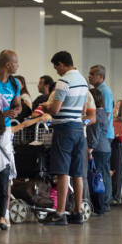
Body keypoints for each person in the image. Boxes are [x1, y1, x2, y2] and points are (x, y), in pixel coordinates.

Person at [39, 51, 88, 225]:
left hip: (64, 130)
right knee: (77, 173)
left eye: (56, 67)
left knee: (62, 172)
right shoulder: (83, 80)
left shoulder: (63, 81)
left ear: (61, 64)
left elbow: (56, 110)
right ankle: (77, 211)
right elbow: (83, 109)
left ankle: (60, 213)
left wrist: (46, 107)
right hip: (78, 130)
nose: (56, 72)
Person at [0, 110, 39, 230]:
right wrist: (39, 119)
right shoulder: (7, 130)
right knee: (4, 194)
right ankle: (2, 219)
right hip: (4, 167)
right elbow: (24, 124)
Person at [88, 65, 115, 210]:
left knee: (100, 172)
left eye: (92, 74)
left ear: (100, 77)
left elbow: (107, 115)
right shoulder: (100, 91)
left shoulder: (103, 92)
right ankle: (104, 201)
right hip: (102, 136)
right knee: (103, 171)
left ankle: (102, 203)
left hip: (103, 137)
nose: (89, 76)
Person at [86, 89, 111, 216]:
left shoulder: (96, 115)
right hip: (105, 148)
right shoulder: (103, 113)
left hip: (98, 150)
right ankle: (101, 206)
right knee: (100, 178)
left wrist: (90, 150)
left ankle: (99, 208)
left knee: (95, 179)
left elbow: (94, 135)